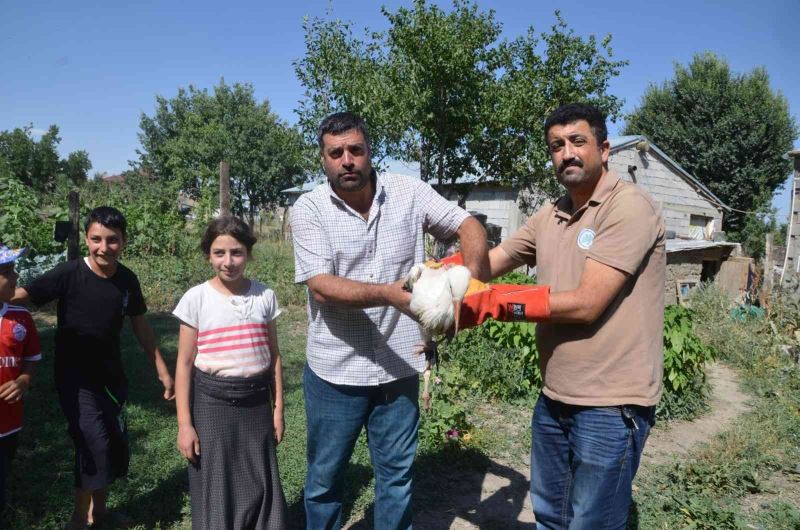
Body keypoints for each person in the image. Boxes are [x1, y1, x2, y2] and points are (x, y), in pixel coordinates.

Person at [451, 102, 666, 529]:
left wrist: (496, 303)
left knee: (592, 523)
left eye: (577, 141)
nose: (566, 152)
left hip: (610, 403)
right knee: (551, 516)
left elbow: (587, 303)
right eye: (556, 145)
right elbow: (491, 261)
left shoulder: (628, 208)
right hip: (555, 398)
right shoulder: (550, 215)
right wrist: (441, 274)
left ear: (604, 149)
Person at [291, 111, 489, 529]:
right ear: (323, 160)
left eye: (355, 150)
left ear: (369, 152)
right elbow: (321, 286)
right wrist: (386, 294)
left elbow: (467, 224)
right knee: (325, 480)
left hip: (400, 366)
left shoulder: (409, 192)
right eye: (336, 153)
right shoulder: (309, 209)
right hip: (336, 372)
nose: (347, 160)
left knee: (396, 479)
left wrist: (472, 282)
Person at [13, 206, 175, 530]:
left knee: (111, 444)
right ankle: (77, 520)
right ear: (86, 239)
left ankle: (99, 514)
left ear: (124, 241)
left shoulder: (127, 280)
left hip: (111, 378)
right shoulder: (68, 274)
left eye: (112, 240)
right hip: (75, 379)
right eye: (96, 239)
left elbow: (141, 326)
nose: (104, 247)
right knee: (93, 445)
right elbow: (23, 296)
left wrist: (160, 367)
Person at [173, 215, 288, 530]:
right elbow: (184, 364)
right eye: (219, 253)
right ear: (208, 255)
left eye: (236, 252)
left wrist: (277, 410)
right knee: (215, 479)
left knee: (259, 478)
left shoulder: (265, 296)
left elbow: (274, 356)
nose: (228, 261)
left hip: (255, 403)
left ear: (248, 253)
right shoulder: (196, 299)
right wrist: (185, 424)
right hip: (212, 403)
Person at [0, 244, 41, 514]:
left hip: (8, 422)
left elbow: (32, 358)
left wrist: (24, 380)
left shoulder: (21, 318)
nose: (15, 278)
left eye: (14, 270)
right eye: (7, 272)